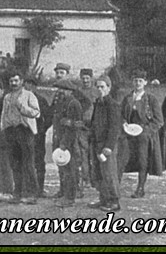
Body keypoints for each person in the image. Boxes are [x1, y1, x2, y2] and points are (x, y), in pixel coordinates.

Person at [119, 69, 163, 199]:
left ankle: (140, 188)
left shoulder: (151, 99)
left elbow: (159, 120)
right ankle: (115, 187)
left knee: (142, 161)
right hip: (128, 134)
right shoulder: (127, 98)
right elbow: (121, 115)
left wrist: (146, 131)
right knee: (122, 159)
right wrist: (123, 124)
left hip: (143, 135)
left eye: (140, 81)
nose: (137, 83)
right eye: (135, 81)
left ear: (145, 82)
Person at [0, 73, 41, 204]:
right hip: (11, 132)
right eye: (11, 80)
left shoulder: (29, 95)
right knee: (15, 164)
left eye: (16, 80)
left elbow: (36, 112)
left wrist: (22, 108)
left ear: (21, 81)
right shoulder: (7, 97)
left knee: (28, 163)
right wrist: (4, 128)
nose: (13, 83)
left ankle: (32, 193)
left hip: (25, 131)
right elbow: (4, 114)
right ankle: (18, 192)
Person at [88, 76, 122, 212]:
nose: (100, 89)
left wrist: (109, 146)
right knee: (99, 173)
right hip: (97, 143)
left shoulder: (112, 104)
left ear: (109, 88)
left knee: (109, 173)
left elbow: (114, 127)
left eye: (102, 87)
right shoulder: (98, 103)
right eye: (97, 87)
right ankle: (104, 199)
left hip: (107, 145)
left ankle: (114, 201)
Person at [50, 80, 84, 208]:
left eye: (62, 89)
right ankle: (65, 194)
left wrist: (65, 143)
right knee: (64, 169)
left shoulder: (73, 104)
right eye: (59, 89)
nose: (60, 91)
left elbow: (74, 127)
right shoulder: (61, 103)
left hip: (70, 142)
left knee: (71, 170)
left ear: (69, 91)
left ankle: (70, 197)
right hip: (62, 139)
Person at [28, 78, 53, 198]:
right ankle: (28, 188)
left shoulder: (41, 100)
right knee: (26, 160)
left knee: (39, 161)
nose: (28, 88)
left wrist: (42, 129)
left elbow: (49, 117)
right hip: (25, 135)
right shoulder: (21, 99)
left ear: (35, 86)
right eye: (26, 85)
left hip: (38, 135)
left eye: (31, 85)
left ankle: (40, 188)